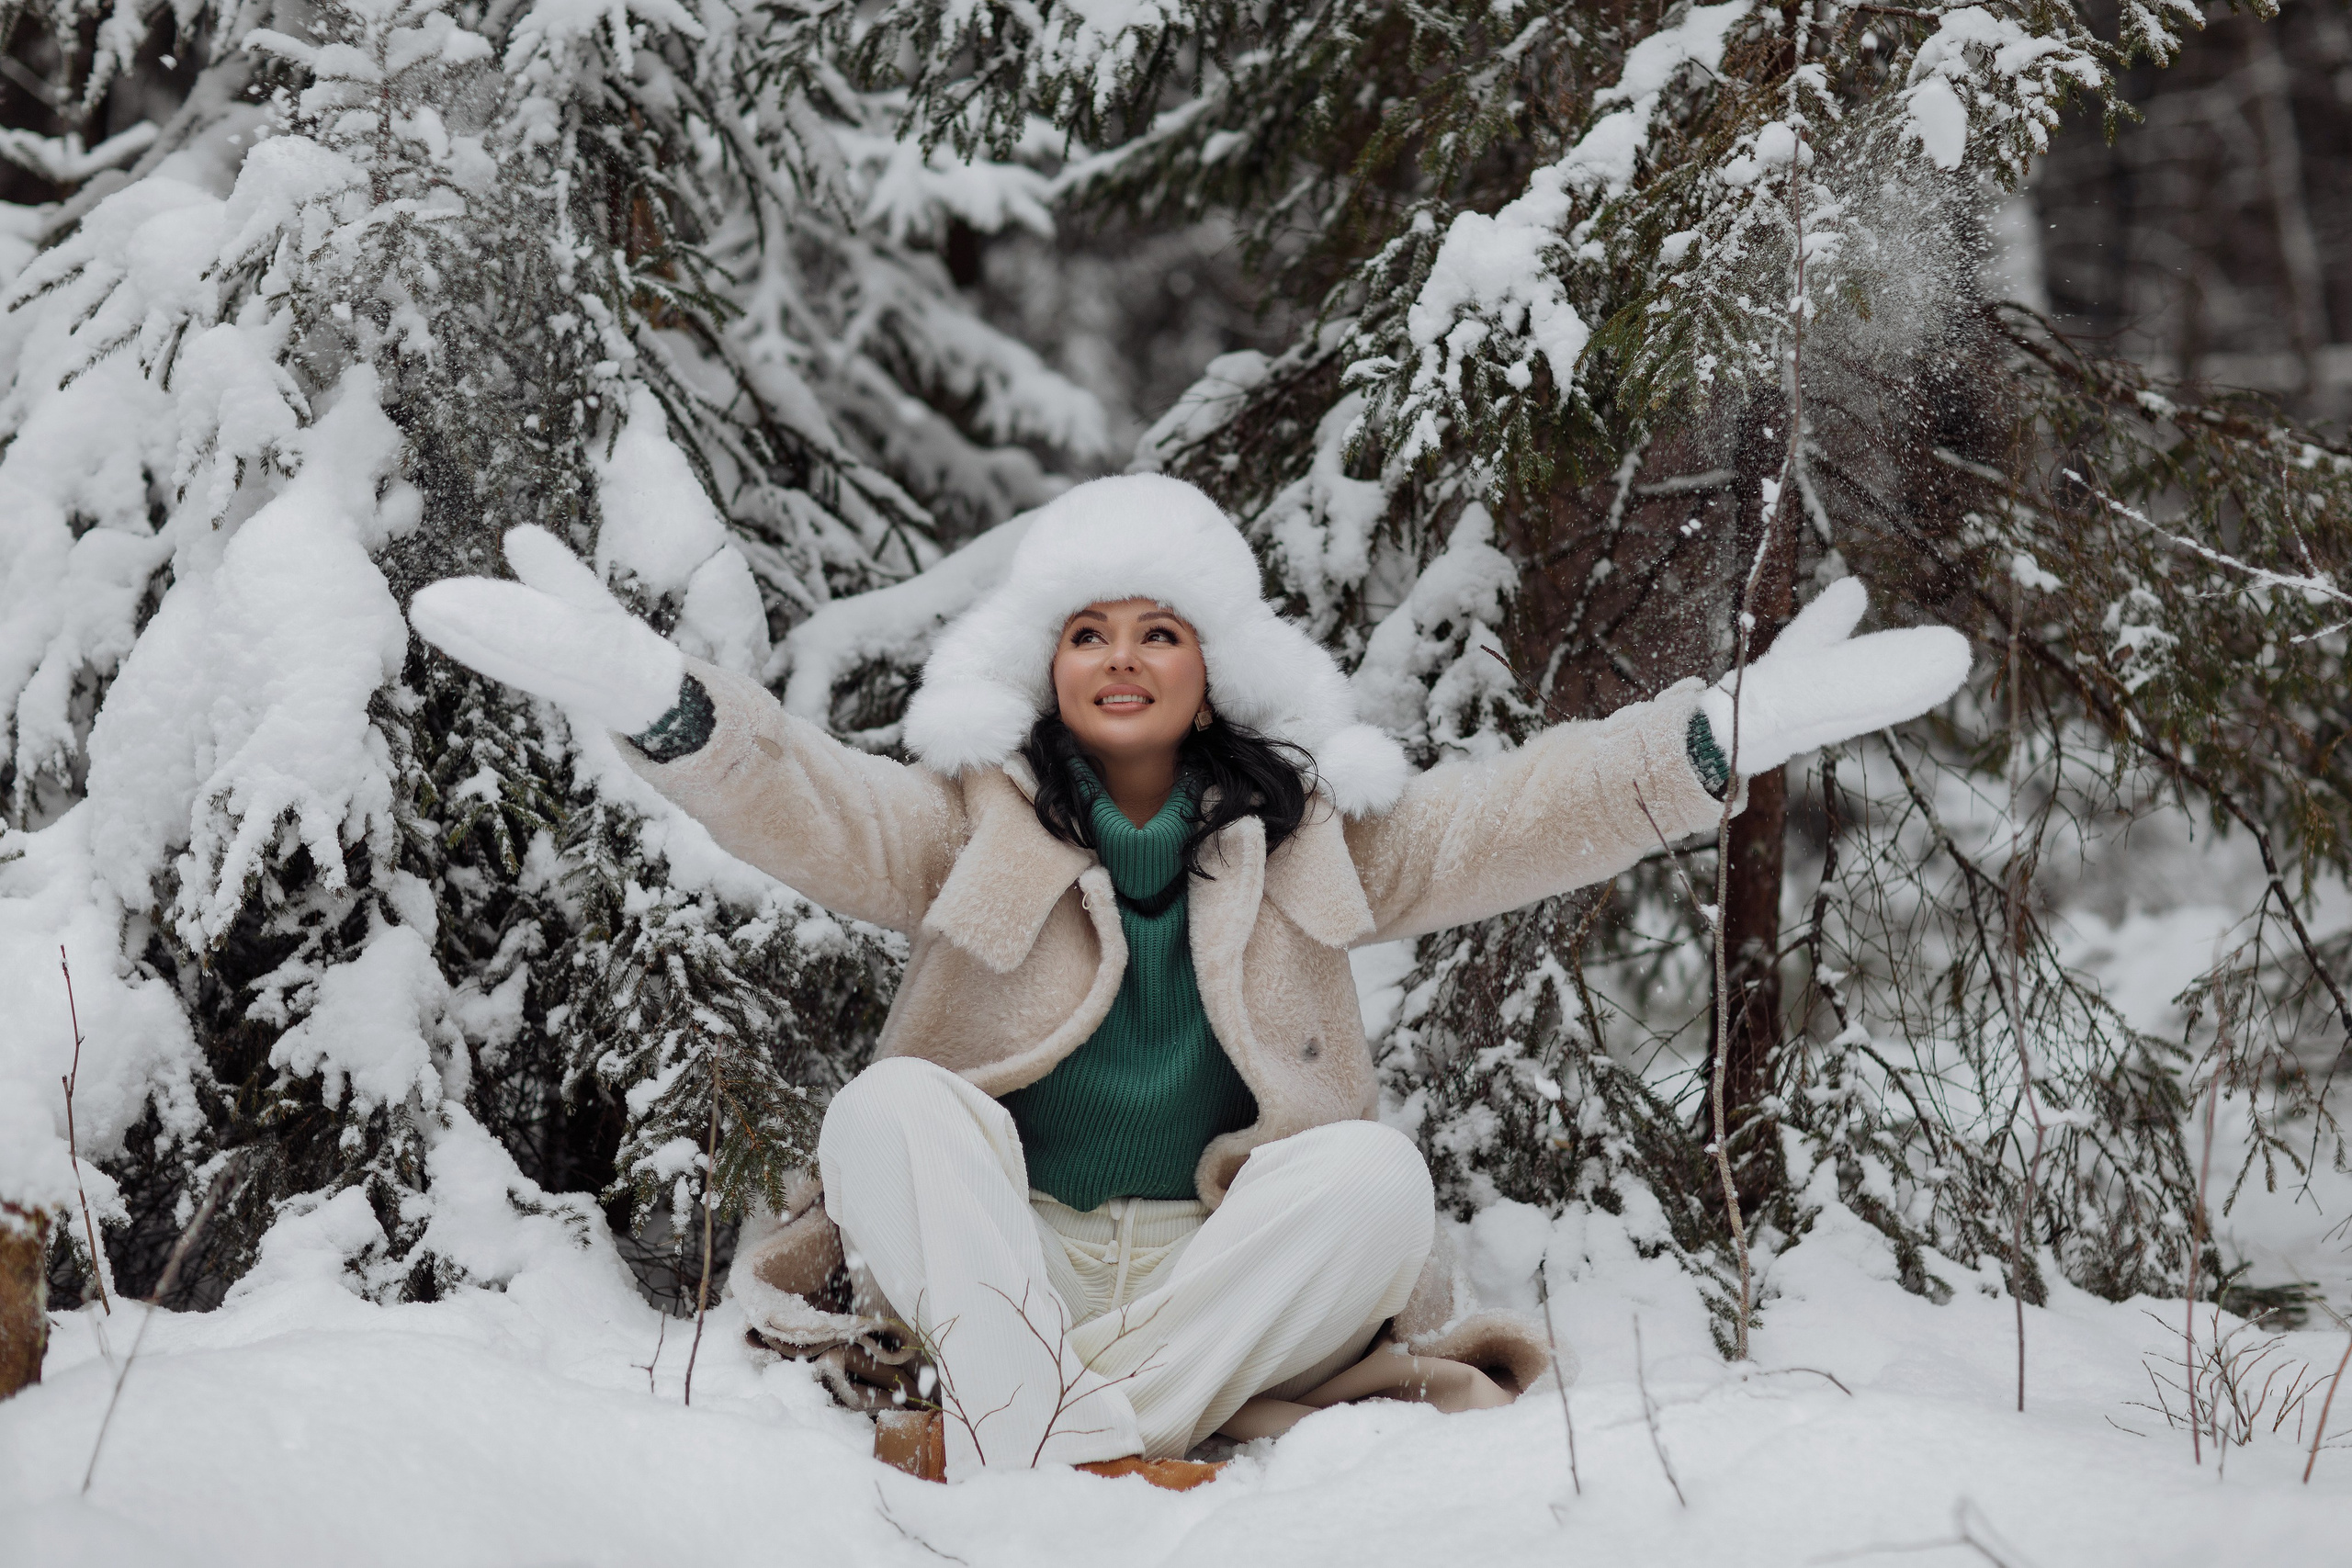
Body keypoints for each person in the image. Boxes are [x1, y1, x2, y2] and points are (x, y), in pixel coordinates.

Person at [412, 473, 1967, 1483]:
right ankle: (1095, 1430)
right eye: (1089, 631)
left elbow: (1515, 818)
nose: (1124, 656)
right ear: (1047, 667)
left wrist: (1702, 748)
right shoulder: (971, 827)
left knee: (1368, 1174)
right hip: (1001, 1255)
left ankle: (1030, 1435)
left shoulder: (1308, 842)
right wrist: (670, 711)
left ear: (1212, 662)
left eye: (1161, 630)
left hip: (1217, 1268)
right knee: (889, 1110)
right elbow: (807, 800)